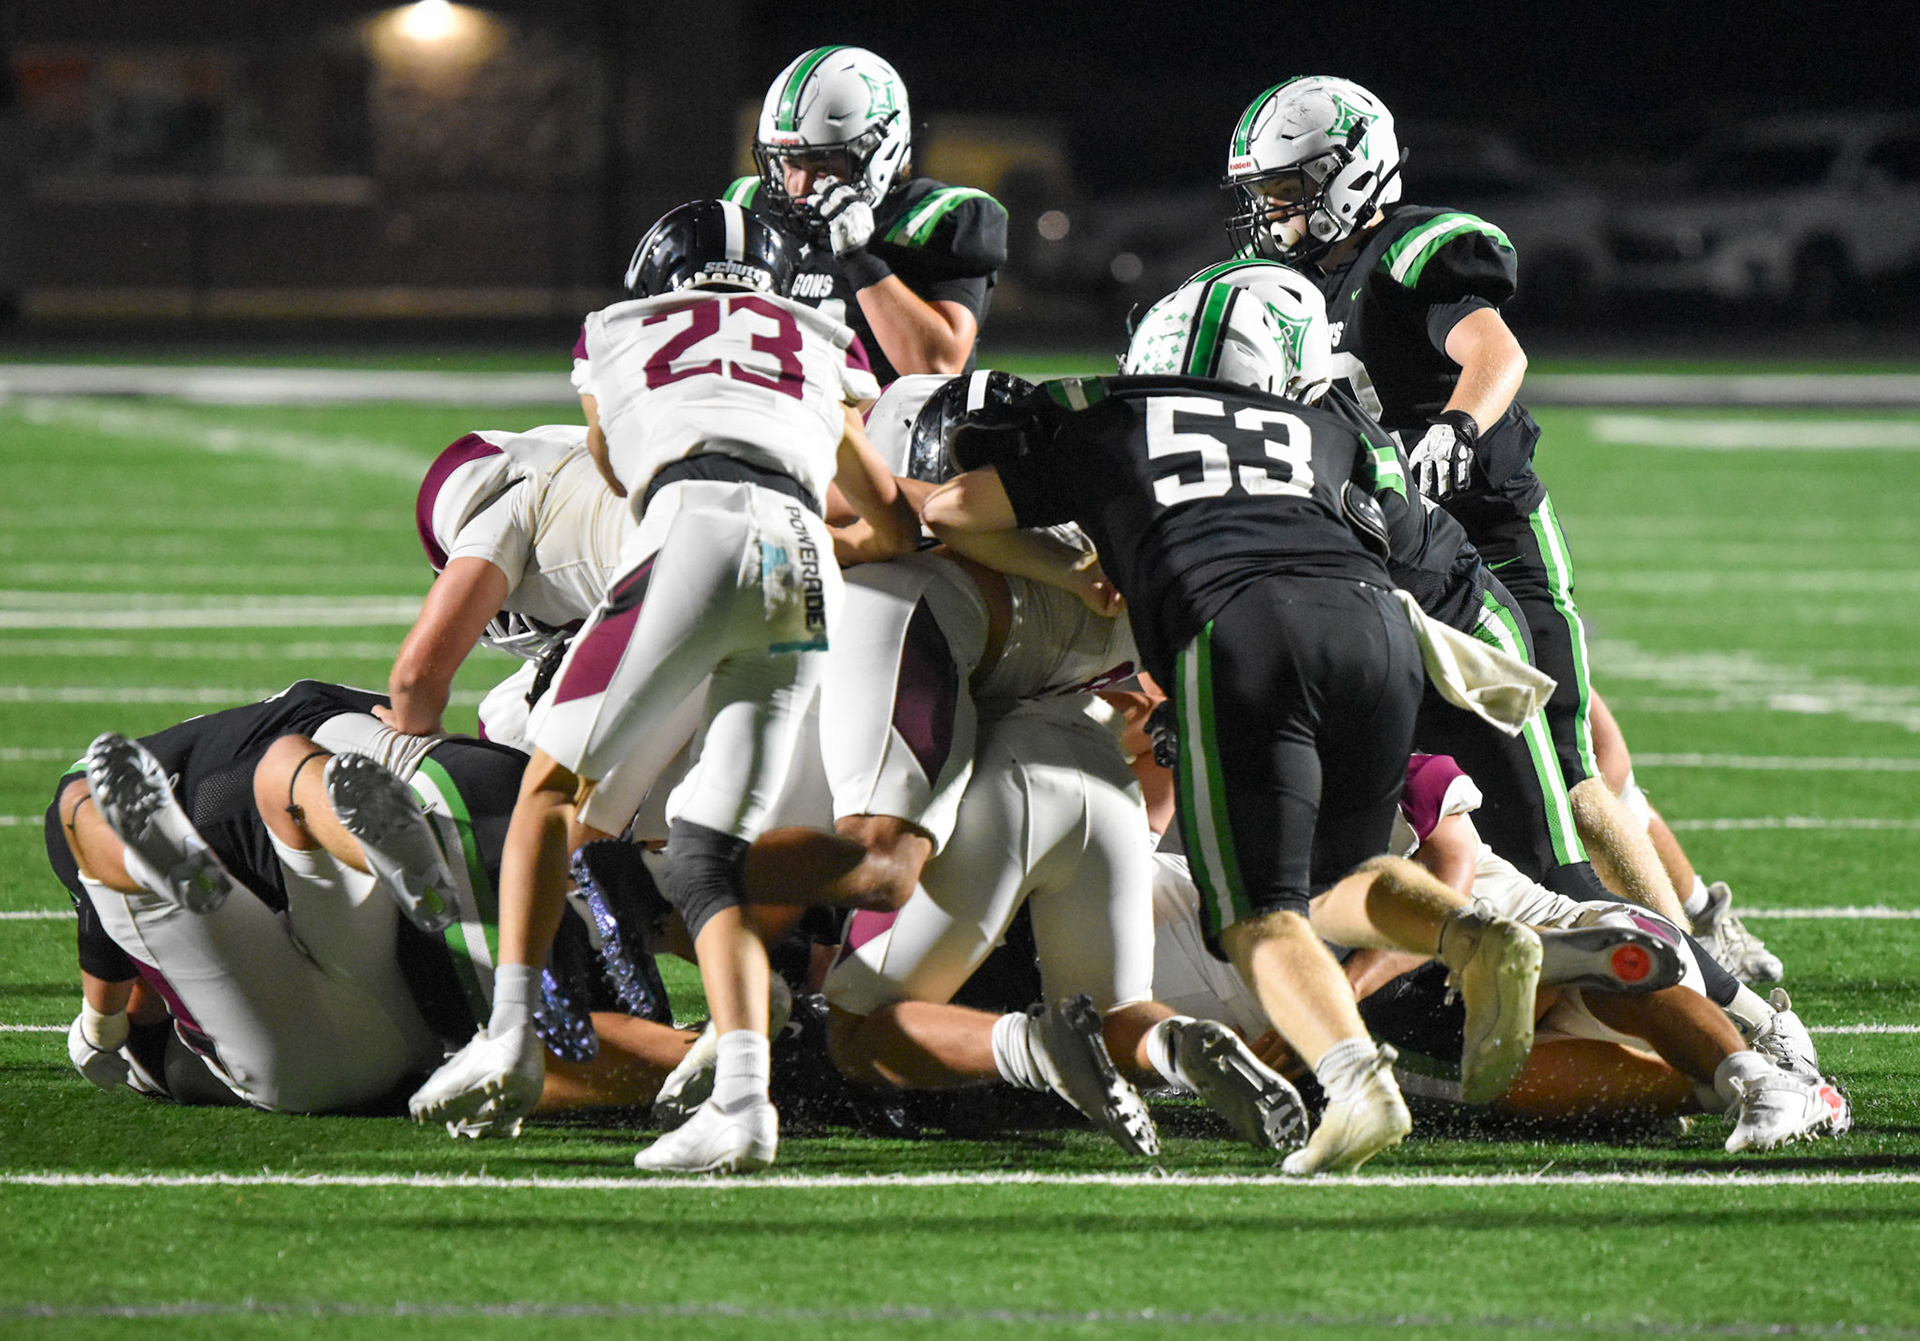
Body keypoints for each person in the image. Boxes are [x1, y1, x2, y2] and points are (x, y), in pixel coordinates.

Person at [920, 278, 1555, 1174]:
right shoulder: (1325, 427)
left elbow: (950, 507)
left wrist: (1076, 576)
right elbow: (1403, 541)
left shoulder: (1106, 412)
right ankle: (1471, 932)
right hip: (1378, 626)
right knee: (1339, 880)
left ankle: (1357, 1085)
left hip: (1244, 629)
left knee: (1255, 915)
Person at [408, 199, 920, 1175]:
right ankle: (744, 1104)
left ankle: (511, 1036)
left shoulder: (616, 328)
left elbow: (609, 462)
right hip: (802, 560)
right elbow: (889, 522)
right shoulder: (822, 340)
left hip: (692, 523)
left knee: (550, 792)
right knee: (708, 853)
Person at [1212, 75, 1696, 938]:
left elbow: (1495, 353)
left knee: (1567, 769)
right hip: (1393, 556)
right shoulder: (1289, 285)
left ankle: (1693, 959)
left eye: (1287, 187)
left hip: (1484, 535)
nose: (1272, 209)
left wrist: (1458, 425)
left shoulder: (1409, 252)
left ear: (1349, 173)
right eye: (1265, 190)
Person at [48, 681, 697, 1117]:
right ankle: (336, 811)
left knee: (84, 814)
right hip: (380, 925)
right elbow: (409, 705)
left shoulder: (138, 788)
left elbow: (128, 1001)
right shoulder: (302, 706)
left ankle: (161, 861)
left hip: (305, 1064)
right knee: (285, 773)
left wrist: (97, 1031)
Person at [723, 45, 1007, 384]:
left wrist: (859, 260)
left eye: (823, 166)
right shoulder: (750, 207)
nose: (800, 187)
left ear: (879, 152)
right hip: (777, 414)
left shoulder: (933, 218)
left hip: (892, 417)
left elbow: (938, 367)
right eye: (791, 164)